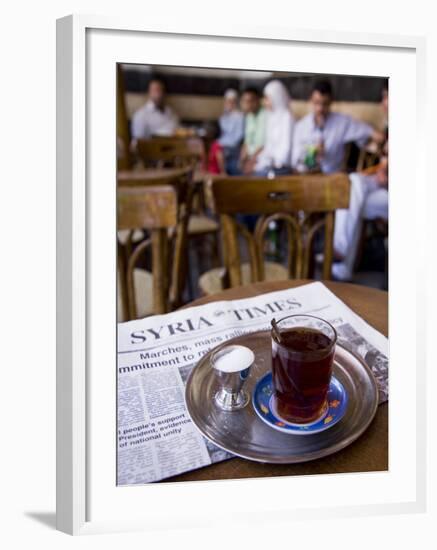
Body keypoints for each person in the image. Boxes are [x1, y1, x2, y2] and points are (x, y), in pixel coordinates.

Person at [332, 83, 389, 281]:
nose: (384, 104)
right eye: (383, 98)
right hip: (382, 185)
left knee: (352, 204)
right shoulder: (390, 128)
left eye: (388, 98)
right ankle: (342, 267)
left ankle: (340, 259)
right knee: (352, 181)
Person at [292, 80, 385, 173]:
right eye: (317, 102)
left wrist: (375, 134)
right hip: (306, 176)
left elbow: (363, 129)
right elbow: (295, 159)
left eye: (325, 104)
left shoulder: (341, 122)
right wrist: (312, 154)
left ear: (331, 101)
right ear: (311, 100)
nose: (320, 108)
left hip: (333, 176)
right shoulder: (301, 126)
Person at [254, 80, 295, 176]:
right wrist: (261, 161)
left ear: (277, 97)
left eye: (267, 98)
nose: (265, 102)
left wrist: (270, 163)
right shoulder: (271, 117)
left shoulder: (287, 117)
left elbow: (286, 150)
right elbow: (268, 146)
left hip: (282, 166)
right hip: (270, 164)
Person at [239, 87, 266, 174]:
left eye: (249, 101)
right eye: (244, 101)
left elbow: (264, 145)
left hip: (261, 159)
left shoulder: (266, 116)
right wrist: (242, 160)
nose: (246, 104)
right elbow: (247, 142)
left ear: (257, 100)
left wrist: (251, 162)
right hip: (250, 158)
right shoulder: (249, 116)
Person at [218, 89, 245, 174]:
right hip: (225, 148)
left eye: (232, 101)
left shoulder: (240, 116)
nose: (230, 104)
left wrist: (222, 144)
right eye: (228, 101)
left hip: (234, 150)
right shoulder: (224, 117)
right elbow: (223, 134)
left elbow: (239, 137)